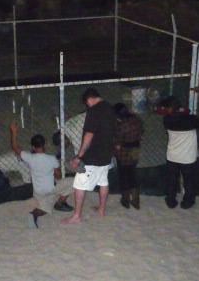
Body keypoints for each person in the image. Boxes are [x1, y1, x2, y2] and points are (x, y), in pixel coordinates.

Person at [62, 88, 116, 224]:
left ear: (88, 100)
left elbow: (89, 135)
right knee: (103, 181)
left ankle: (76, 216)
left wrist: (79, 156)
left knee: (79, 184)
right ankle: (101, 209)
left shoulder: (93, 111)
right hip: (107, 152)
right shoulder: (110, 108)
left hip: (94, 154)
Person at [9, 122, 73, 228]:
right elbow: (58, 176)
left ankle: (37, 213)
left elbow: (15, 147)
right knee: (73, 182)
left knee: (45, 207)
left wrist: (14, 132)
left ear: (33, 147)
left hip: (38, 192)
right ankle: (60, 202)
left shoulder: (29, 158)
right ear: (45, 144)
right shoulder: (51, 159)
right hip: (50, 190)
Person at [160, 95, 199, 209]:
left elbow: (175, 117)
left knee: (172, 180)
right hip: (188, 157)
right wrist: (184, 111)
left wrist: (180, 111)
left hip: (172, 155)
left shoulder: (167, 120)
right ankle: (188, 201)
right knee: (189, 180)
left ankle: (171, 201)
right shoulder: (191, 119)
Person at [113, 102, 144, 210]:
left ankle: (125, 199)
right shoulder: (137, 120)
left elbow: (117, 140)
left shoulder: (121, 125)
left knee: (124, 175)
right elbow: (141, 132)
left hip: (124, 151)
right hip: (135, 149)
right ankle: (136, 199)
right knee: (132, 173)